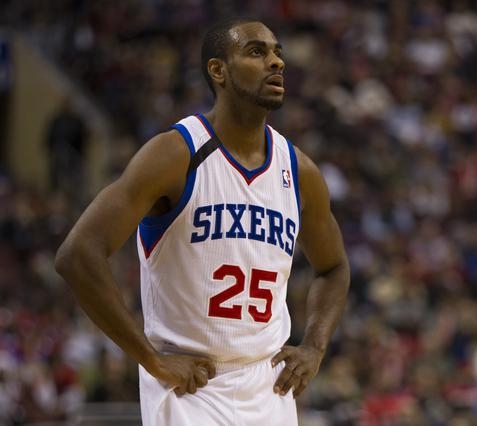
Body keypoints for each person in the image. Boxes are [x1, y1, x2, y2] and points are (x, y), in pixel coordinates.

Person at [55, 18, 350, 426]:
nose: (276, 62)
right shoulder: (175, 154)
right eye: (256, 52)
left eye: (278, 52)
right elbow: (77, 254)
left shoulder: (299, 171)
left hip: (269, 386)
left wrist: (315, 346)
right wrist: (151, 359)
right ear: (218, 70)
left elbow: (333, 267)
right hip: (189, 385)